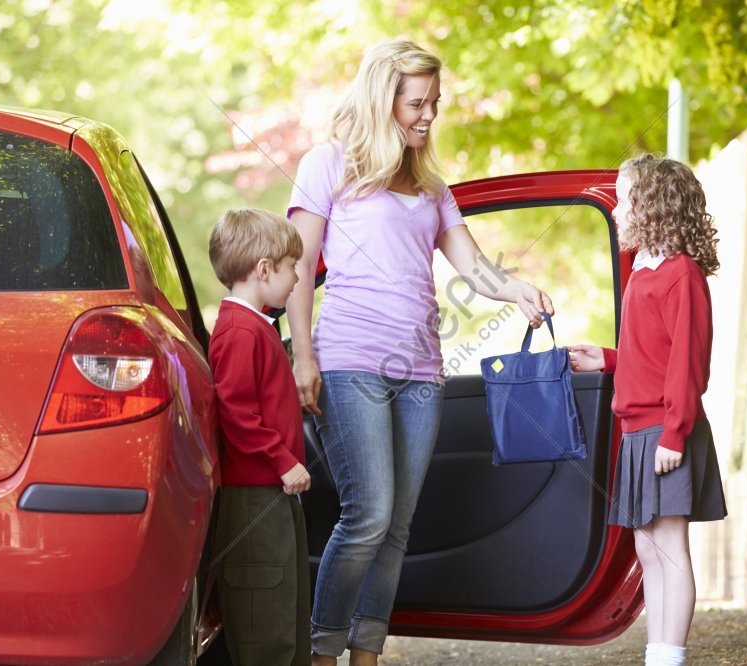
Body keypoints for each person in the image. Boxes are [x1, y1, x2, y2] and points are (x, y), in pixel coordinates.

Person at [285, 39, 555, 666]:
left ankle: (368, 655)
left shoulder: (432, 186)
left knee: (397, 528)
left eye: (435, 102)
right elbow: (297, 267)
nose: (429, 115)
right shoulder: (327, 164)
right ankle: (322, 652)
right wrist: (304, 355)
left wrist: (516, 292)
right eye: (417, 103)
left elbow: (472, 265)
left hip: (421, 375)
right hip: (349, 362)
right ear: (384, 100)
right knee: (369, 514)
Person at [568, 155, 727, 666]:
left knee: (668, 546)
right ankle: (658, 653)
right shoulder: (644, 269)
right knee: (646, 548)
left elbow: (688, 363)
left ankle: (669, 656)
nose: (615, 210)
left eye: (622, 197)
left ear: (649, 204)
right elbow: (651, 353)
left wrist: (675, 436)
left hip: (665, 429)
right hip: (641, 428)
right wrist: (608, 359)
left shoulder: (681, 274)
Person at [207, 209, 312, 666]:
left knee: (286, 603)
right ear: (264, 268)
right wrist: (282, 459)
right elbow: (236, 411)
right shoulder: (238, 330)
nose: (297, 278)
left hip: (273, 490)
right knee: (262, 616)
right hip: (255, 493)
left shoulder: (257, 326)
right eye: (292, 267)